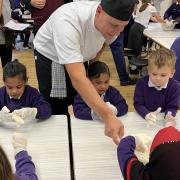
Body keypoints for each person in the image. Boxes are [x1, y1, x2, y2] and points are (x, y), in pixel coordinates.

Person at [33, 0, 137, 144]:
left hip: (81, 55)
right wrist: (108, 115)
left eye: (122, 27)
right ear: (99, 11)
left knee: (84, 101)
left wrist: (92, 64)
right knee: (57, 106)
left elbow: (104, 42)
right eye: (113, 25)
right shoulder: (68, 20)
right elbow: (77, 78)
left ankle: (81, 141)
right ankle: (59, 143)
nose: (117, 32)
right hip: (51, 57)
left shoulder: (113, 23)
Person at [134, 48, 180, 124]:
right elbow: (138, 104)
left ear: (172, 73)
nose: (158, 78)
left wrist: (169, 115)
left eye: (163, 75)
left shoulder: (175, 87)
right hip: (144, 119)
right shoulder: (141, 83)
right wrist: (147, 114)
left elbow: (172, 106)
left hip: (163, 121)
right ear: (148, 70)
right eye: (154, 74)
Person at [0, 0, 14, 67]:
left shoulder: (8, 1)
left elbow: (8, 16)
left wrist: (13, 22)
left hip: (7, 38)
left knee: (7, 69)